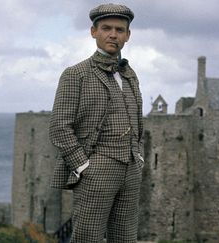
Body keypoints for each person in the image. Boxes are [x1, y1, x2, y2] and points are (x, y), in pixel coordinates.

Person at [49, 3, 144, 242]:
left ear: (128, 36)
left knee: (125, 238)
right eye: (106, 28)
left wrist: (138, 156)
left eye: (120, 30)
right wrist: (83, 167)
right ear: (94, 32)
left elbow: (136, 120)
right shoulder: (75, 74)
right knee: (87, 237)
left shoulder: (130, 74)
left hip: (131, 169)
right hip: (96, 170)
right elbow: (59, 127)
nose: (113, 34)